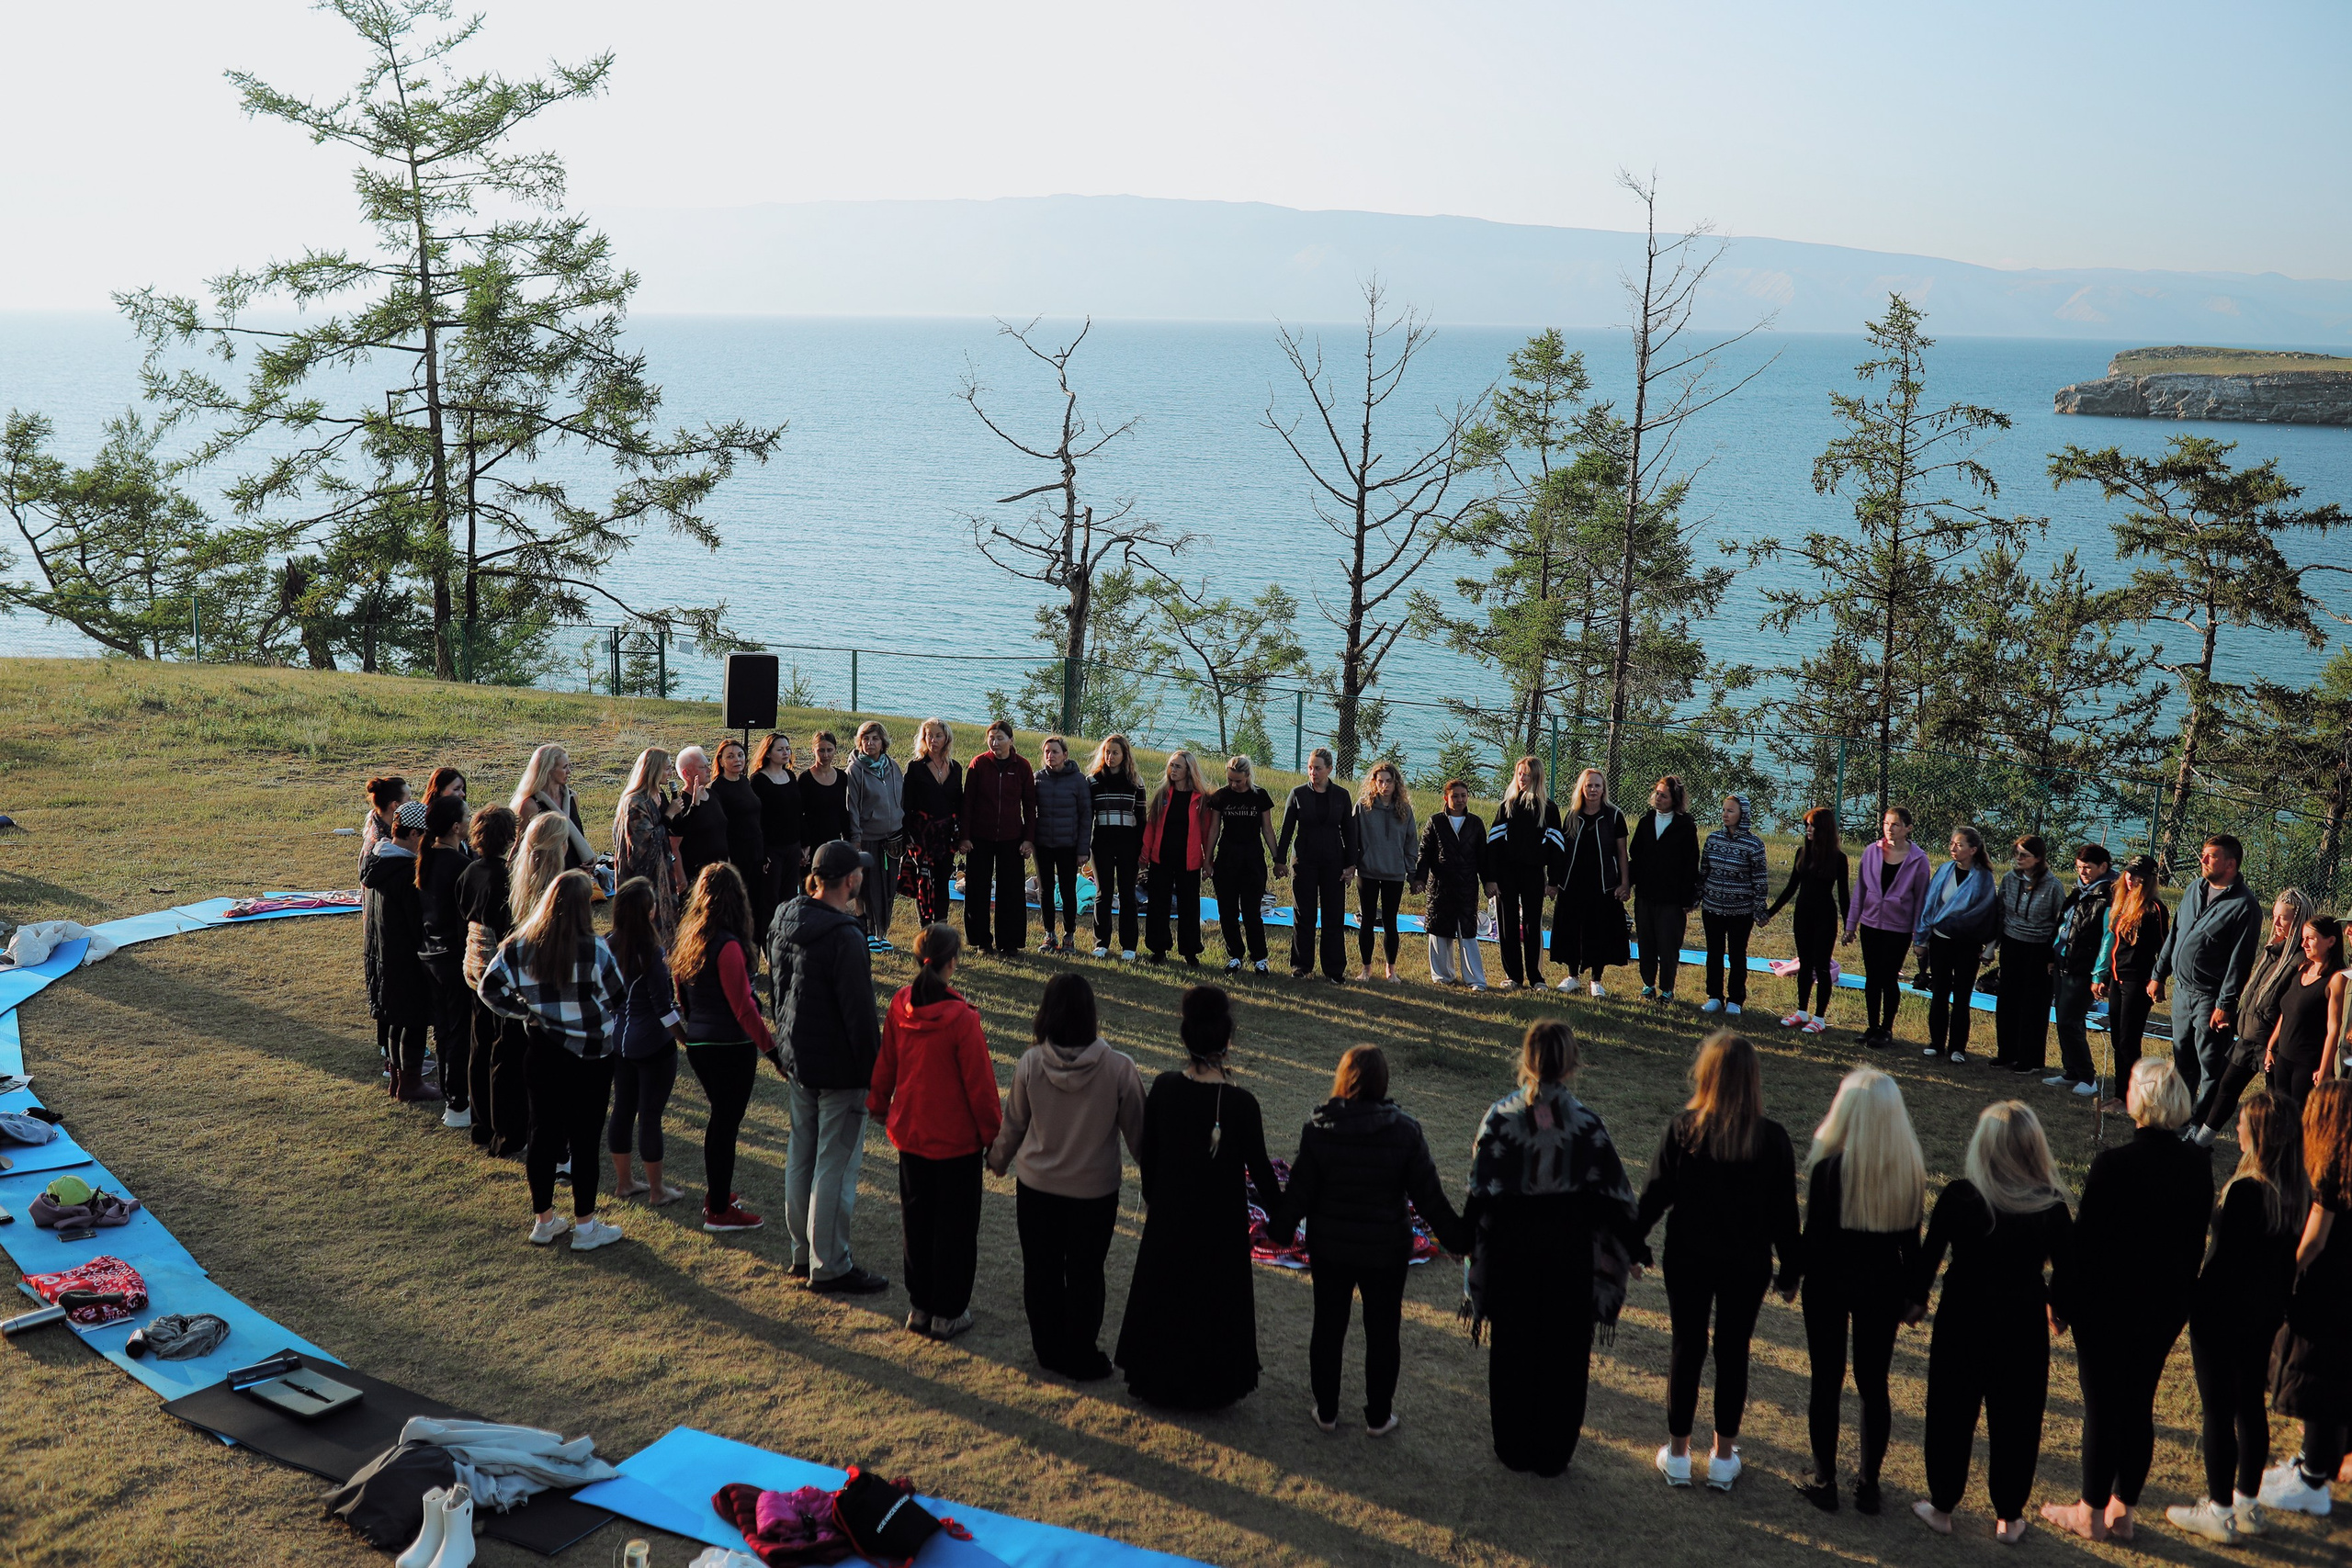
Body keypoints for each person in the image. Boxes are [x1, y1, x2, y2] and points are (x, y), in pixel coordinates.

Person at [1462, 1019, 1642, 1476]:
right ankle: (1553, 1452)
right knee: (1564, 1353)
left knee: (1513, 1347)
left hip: (1511, 1253)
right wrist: (1633, 1250)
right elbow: (1616, 1198)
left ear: (1526, 1060)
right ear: (1572, 1064)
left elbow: (1479, 1194)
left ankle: (1513, 1446)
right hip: (1569, 1255)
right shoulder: (1588, 1125)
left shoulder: (1498, 1118)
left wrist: (1469, 1245)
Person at [2042, 1058, 2210, 1542]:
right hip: (2165, 1306)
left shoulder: (2113, 1165)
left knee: (2102, 1407)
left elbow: (2084, 1244)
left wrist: (2061, 1304)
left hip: (2108, 1306)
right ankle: (2124, 1511)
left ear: (2142, 1101)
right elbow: (2192, 1242)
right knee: (2138, 1404)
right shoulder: (2197, 1168)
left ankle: (2091, 1514)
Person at [1268, 1044, 1466, 1436]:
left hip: (1330, 1247)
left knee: (1327, 1327)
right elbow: (1431, 1200)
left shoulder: (1319, 1128)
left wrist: (1279, 1229)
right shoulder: (1405, 1131)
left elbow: (1299, 1193)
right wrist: (1460, 1239)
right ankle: (1379, 1416)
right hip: (1386, 1250)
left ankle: (1326, 1411)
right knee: (1382, 1332)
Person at [1635, 1031, 1802, 1493]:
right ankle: (1725, 1458)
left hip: (1687, 1257)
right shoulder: (1773, 1141)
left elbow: (1653, 1198)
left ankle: (1679, 1454)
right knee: (1734, 1351)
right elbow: (1785, 1216)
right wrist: (1791, 1270)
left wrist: (1634, 1246)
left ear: (1705, 1074)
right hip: (1747, 1263)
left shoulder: (1683, 1130)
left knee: (1686, 1346)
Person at [1911, 1100, 2074, 1543]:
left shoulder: (1960, 1196)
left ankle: (1942, 1505)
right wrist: (2058, 1309)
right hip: (2021, 1322)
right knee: (2018, 1418)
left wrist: (1916, 1301)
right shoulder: (2051, 1206)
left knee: (1950, 1411)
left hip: (1962, 1316)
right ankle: (2009, 1516)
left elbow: (1928, 1260)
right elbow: (2069, 1270)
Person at [1114, 986, 1282, 1408]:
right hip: (1220, 1225)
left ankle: (1159, 1377)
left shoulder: (1166, 1088)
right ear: (1227, 1041)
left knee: (1166, 1300)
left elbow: (1148, 1157)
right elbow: (1262, 1175)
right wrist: (1285, 1220)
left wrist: (1156, 1199)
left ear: (1185, 1037)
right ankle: (1212, 1385)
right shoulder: (1241, 1103)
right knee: (1213, 1306)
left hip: (1170, 1217)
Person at [989, 974, 1147, 1379]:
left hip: (1037, 1188)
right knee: (1086, 1273)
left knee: (1040, 1271)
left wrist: (997, 1162)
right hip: (1094, 1192)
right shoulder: (1119, 1068)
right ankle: (1081, 1352)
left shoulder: (1029, 1064)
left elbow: (1014, 1125)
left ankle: (1048, 1349)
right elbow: (1139, 1134)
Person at [1785, 1066, 1926, 1516]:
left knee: (1826, 1381)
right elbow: (1912, 1246)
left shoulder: (1830, 1170)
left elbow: (1813, 1239)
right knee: (1874, 1384)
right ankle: (1869, 1485)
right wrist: (1915, 1295)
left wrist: (1789, 1275)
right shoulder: (1909, 1172)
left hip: (1828, 1282)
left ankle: (1825, 1480)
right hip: (1882, 1285)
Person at [2168, 1091, 2304, 1542]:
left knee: (2218, 1412)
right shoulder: (2294, 1192)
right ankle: (2247, 1505)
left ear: (2259, 1136)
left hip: (2221, 1315)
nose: (2237, 1129)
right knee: (2249, 1408)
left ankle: (2219, 1510)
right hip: (2265, 1315)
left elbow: (2222, 1262)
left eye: (2244, 1123)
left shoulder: (2247, 1191)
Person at [477, 870, 628, 1252]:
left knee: (542, 1136)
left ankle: (544, 1220)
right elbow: (618, 997)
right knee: (584, 1139)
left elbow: (487, 987)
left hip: (543, 1052)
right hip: (592, 1057)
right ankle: (586, 1226)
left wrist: (525, 1011)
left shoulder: (520, 945)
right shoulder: (595, 949)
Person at [868, 923, 1002, 1339]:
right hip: (956, 1141)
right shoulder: (961, 1019)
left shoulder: (900, 1005)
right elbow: (980, 1087)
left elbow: (886, 1061)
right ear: (953, 962)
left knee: (918, 1222)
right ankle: (949, 1311)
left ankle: (920, 1307)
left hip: (912, 1134)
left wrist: (877, 1104)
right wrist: (994, 1136)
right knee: (956, 1229)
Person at [770, 840, 887, 1293]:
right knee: (834, 1165)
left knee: (802, 1157)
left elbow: (779, 991)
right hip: (838, 1069)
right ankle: (831, 1264)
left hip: (798, 1060)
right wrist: (875, 1075)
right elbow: (860, 1016)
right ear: (850, 880)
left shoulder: (784, 918)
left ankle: (804, 1254)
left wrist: (782, 1047)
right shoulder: (845, 936)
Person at [2256, 1079, 2352, 1518]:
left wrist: (2283, 1272)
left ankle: (2313, 1481)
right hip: (2342, 1292)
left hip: (2324, 1293)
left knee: (2319, 1383)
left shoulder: (2330, 1174)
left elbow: (2313, 1241)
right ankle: (2312, 1464)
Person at [675, 863, 782, 1234]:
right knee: (724, 1125)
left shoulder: (691, 936)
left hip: (701, 1044)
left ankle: (717, 1196)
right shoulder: (730, 946)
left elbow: (681, 990)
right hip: (729, 1046)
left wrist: (693, 1029)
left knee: (721, 1122)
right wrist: (774, 1052)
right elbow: (744, 1009)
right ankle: (719, 1210)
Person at [2190, 888, 2319, 1142]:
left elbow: (2290, 1004)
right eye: (2275, 915)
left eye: (2284, 918)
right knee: (2226, 1087)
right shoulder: (2273, 950)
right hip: (2251, 1033)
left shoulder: (2301, 960)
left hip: (2273, 1041)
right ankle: (2200, 1140)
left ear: (2300, 922)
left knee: (2279, 1099)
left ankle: (2283, 1151)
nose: (2277, 922)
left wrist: (2273, 1041)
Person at [2153, 832, 2264, 1108]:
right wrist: (2158, 975)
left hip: (2209, 999)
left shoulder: (2244, 906)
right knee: (2182, 1058)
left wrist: (2225, 1004)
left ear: (2230, 864)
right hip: (2181, 992)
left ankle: (2201, 1126)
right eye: (2204, 854)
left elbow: (2240, 961)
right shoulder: (2194, 889)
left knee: (2210, 1066)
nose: (2202, 860)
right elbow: (2175, 935)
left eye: (2210, 856)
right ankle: (2180, 1114)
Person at [605, 876, 685, 1207]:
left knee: (622, 1109)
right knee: (649, 1115)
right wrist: (685, 1039)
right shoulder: (653, 954)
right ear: (648, 913)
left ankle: (624, 1183)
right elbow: (664, 1010)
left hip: (618, 1042)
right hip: (652, 1045)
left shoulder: (607, 943)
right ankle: (657, 1190)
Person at [458, 807, 526, 1155]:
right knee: (505, 1054)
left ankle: (480, 1125)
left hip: (473, 968)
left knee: (479, 1046)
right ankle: (506, 1131)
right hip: (499, 974)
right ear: (510, 837)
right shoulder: (507, 878)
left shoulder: (469, 872)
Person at [363, 802, 439, 1101]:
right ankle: (410, 1083)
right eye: (427, 836)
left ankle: (398, 1080)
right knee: (413, 1022)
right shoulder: (407, 872)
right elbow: (418, 921)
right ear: (412, 833)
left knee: (394, 1022)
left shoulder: (379, 859)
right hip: (406, 959)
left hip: (383, 955)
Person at [1844, 807, 1930, 1047]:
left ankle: (1887, 1029)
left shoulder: (1919, 860)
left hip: (1899, 928)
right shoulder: (1871, 852)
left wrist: (1919, 937)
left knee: (1888, 977)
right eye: (1886, 824)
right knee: (1872, 977)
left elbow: (1921, 900)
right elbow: (1860, 890)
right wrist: (1851, 925)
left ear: (1908, 828)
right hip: (1871, 924)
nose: (1889, 829)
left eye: (1895, 824)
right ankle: (1871, 1026)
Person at [1914, 824, 1997, 1065]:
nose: (1953, 848)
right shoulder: (1943, 870)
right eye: (1952, 843)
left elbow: (1987, 913)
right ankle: (1935, 1043)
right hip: (1940, 941)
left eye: (1959, 845)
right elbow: (1930, 906)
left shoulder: (1983, 878)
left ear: (1972, 850)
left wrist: (1988, 948)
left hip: (1967, 945)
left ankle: (1958, 1047)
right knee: (1939, 991)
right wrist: (1922, 939)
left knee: (1962, 996)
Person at [1276, 748, 1359, 983]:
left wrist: (1351, 864)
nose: (1313, 772)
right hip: (1304, 863)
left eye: (1318, 768)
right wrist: (1280, 860)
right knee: (1304, 915)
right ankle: (1301, 965)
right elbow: (1287, 830)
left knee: (1334, 916)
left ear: (1329, 770)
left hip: (1334, 863)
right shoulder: (1298, 794)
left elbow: (1350, 833)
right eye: (1310, 767)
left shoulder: (1341, 795)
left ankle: (1334, 970)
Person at [1764, 807, 1849, 1035]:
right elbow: (1791, 887)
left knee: (1821, 967)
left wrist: (1849, 926)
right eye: (1807, 825)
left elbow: (1843, 895)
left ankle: (1819, 1018)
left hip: (1825, 917)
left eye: (1813, 826)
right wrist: (1770, 912)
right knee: (1805, 965)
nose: (1808, 830)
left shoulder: (1839, 859)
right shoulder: (1802, 852)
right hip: (1803, 914)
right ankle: (1802, 1012)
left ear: (1824, 830)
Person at [2093, 855, 2170, 1108]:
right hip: (2117, 978)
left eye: (2138, 875)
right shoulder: (2121, 902)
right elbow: (2112, 943)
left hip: (2138, 982)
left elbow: (2165, 948)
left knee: (2128, 1040)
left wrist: (2158, 980)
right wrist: (2102, 975)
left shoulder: (2155, 909)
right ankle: (2122, 1092)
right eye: (2129, 873)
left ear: (2148, 880)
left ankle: (2127, 1096)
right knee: (2118, 1038)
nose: (2131, 879)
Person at [416, 793, 473, 1126]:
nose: (469, 820)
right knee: (459, 1034)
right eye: (466, 816)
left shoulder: (427, 859)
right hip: (454, 960)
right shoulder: (461, 867)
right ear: (455, 827)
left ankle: (454, 1100)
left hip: (431, 957)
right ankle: (459, 1103)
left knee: (444, 1031)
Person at [2256, 915, 2348, 1122]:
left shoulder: (2336, 980)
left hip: (2306, 1065)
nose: (2304, 944)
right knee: (2279, 1116)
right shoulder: (2302, 969)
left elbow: (2334, 1029)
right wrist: (2271, 1046)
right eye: (2303, 938)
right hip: (2283, 1058)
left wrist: (2324, 1070)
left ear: (2331, 941)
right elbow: (2286, 1012)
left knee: (2299, 1122)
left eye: (2311, 939)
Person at [1550, 767, 1631, 997]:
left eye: (1597, 785)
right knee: (1572, 930)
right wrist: (1555, 881)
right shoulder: (1572, 815)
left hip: (1604, 885)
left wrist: (1625, 883)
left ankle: (1596, 979)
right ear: (1581, 788)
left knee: (1599, 931)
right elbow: (1561, 850)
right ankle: (1572, 976)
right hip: (1573, 883)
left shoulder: (1614, 816)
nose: (1593, 789)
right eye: (1588, 785)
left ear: (1603, 788)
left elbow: (1622, 854)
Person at [1484, 758, 1562, 990]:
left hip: (1534, 875)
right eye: (1519, 774)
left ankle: (1536, 977)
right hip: (1507, 875)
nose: (1522, 778)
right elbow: (1493, 846)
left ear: (1537, 777)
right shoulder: (1507, 805)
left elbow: (1557, 848)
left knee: (1531, 925)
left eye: (1527, 774)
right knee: (1507, 924)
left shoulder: (1549, 808)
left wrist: (1554, 881)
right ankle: (1514, 977)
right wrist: (1491, 878)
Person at [2045, 845, 2117, 1098]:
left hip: (2084, 968)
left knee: (2070, 1020)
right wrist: (2053, 955)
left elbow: (2108, 938)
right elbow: (2064, 923)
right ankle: (2071, 1071)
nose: (2082, 872)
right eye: (2079, 867)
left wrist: (2099, 974)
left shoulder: (2109, 894)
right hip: (2064, 961)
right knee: (2062, 1020)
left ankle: (2088, 1076)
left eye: (2087, 867)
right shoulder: (2079, 891)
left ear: (2103, 867)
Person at [961, 720, 1036, 955]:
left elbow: (1030, 806)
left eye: (1000, 738)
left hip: (1012, 838)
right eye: (991, 738)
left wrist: (1028, 839)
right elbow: (967, 804)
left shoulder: (1022, 767)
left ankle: (1009, 941)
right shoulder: (979, 764)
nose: (995, 742)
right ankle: (981, 941)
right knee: (977, 890)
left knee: (1011, 892)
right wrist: (964, 836)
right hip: (979, 838)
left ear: (1011, 740)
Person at [1992, 835, 2064, 1075]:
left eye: (2025, 855)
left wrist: (2054, 956)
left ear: (2038, 859)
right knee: (2007, 1000)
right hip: (2012, 944)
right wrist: (1993, 945)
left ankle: (2030, 1058)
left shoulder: (2053, 885)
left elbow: (2061, 922)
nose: (2019, 859)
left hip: (2039, 948)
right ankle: (2006, 1053)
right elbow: (2001, 912)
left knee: (2033, 1004)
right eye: (2017, 854)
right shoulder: (2009, 880)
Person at [1695, 794, 1770, 1018]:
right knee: (1714, 953)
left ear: (1742, 815)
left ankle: (1736, 999)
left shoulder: (1754, 844)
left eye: (1730, 811)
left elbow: (1760, 880)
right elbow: (1704, 871)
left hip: (1741, 911)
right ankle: (1714, 996)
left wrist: (1759, 909)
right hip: (1712, 908)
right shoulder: (1713, 839)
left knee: (1738, 954)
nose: (1725, 815)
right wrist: (1697, 897)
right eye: (1724, 810)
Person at [1629, 775, 1700, 1003]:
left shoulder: (1686, 827)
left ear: (1674, 800)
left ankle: (1667, 989)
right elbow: (1635, 857)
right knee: (1646, 940)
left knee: (1668, 945)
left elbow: (1691, 865)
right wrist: (1626, 884)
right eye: (1657, 794)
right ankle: (1648, 985)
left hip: (1672, 899)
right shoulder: (1645, 822)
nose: (1658, 798)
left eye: (1664, 795)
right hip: (1645, 895)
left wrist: (1688, 899)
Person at [1205, 755, 1279, 973]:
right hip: (1227, 859)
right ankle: (1235, 955)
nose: (1233, 784)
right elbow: (1214, 829)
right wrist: (1207, 860)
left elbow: (1267, 829)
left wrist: (1278, 859)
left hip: (1253, 860)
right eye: (1230, 780)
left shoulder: (1260, 796)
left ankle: (1259, 958)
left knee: (1251, 912)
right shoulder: (1221, 796)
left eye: (1238, 780)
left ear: (1248, 776)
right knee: (1227, 911)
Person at [1141, 750, 1214, 966]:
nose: (1173, 770)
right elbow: (1151, 826)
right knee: (1157, 906)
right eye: (1171, 765)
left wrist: (1207, 861)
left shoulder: (1201, 800)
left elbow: (1206, 832)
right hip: (1161, 859)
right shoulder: (1162, 795)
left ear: (1189, 770)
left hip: (1189, 861)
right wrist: (1145, 855)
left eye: (1178, 766)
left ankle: (1190, 952)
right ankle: (1158, 949)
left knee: (1189, 907)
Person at [1413, 779, 1487, 990]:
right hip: (1440, 886)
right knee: (1438, 929)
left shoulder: (1475, 823)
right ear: (1446, 798)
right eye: (1455, 796)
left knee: (1468, 932)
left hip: (1467, 886)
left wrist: (1489, 882)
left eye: (1463, 795)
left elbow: (1483, 857)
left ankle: (1476, 980)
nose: (1460, 800)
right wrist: (1419, 879)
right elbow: (1425, 853)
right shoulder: (1435, 822)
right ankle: (1442, 976)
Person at [359, 774, 409, 1074]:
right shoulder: (384, 841)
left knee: (382, 975)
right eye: (408, 797)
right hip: (383, 919)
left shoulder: (374, 822)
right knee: (388, 979)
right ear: (395, 805)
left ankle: (386, 1043)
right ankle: (392, 1049)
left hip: (374, 917)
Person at [845, 721, 906, 953]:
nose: (870, 743)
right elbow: (852, 807)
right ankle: (867, 931)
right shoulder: (855, 770)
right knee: (866, 886)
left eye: (875, 739)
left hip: (892, 838)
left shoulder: (893, 766)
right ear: (860, 742)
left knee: (887, 886)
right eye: (866, 739)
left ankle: (882, 932)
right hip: (867, 837)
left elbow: (900, 799)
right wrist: (856, 837)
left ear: (883, 742)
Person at [1353, 761, 1417, 984]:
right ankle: (1366, 969)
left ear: (1396, 783)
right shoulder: (1362, 807)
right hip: (1367, 871)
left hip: (1395, 873)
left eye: (1389, 781)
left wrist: (1412, 875)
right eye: (1380, 781)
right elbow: (1353, 840)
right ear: (1374, 782)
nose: (1385, 785)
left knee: (1391, 922)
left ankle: (1391, 970)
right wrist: (1351, 865)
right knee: (1367, 920)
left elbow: (1411, 845)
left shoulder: (1405, 810)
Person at [613, 748, 684, 944]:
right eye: (667, 769)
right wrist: (669, 815)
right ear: (653, 770)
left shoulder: (659, 795)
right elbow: (643, 844)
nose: (670, 773)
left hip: (662, 871)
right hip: (641, 877)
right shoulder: (635, 801)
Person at [1085, 733, 1146, 961]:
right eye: (1107, 752)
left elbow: (1142, 818)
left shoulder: (1135, 782)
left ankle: (1129, 946)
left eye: (1115, 752)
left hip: (1128, 843)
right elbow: (1087, 817)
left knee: (1128, 895)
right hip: (1101, 842)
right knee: (1104, 893)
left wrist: (1143, 851)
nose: (1110, 756)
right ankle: (1101, 942)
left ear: (1124, 755)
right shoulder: (1092, 781)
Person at [1031, 735, 1092, 955]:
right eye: (1047, 752)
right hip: (1043, 845)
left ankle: (1069, 935)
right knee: (1045, 891)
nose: (1050, 756)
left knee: (1067, 891)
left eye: (1055, 752)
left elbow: (1087, 816)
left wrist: (1083, 850)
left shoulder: (1078, 781)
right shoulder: (1037, 778)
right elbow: (1029, 813)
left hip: (1069, 846)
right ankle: (1050, 935)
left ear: (1065, 755)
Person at [899, 720, 963, 928]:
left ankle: (941, 925)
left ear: (946, 739)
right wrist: (906, 834)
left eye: (938, 736)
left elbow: (959, 803)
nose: (933, 740)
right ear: (923, 739)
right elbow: (906, 804)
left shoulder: (955, 768)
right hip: (921, 834)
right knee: (923, 881)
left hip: (946, 835)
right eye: (929, 736)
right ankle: (925, 927)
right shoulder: (915, 767)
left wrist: (961, 833)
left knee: (943, 880)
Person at [709, 738, 769, 948]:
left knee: (756, 902)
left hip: (756, 851)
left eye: (741, 755)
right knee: (738, 904)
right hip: (735, 853)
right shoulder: (717, 788)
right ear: (721, 760)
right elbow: (719, 826)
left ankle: (755, 946)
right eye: (731, 756)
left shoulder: (745, 781)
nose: (737, 760)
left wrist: (763, 853)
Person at [751, 734, 804, 945]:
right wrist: (763, 854)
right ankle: (768, 943)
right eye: (780, 749)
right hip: (772, 849)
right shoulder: (758, 780)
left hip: (793, 846)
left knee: (790, 897)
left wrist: (803, 844)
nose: (786, 753)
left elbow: (798, 812)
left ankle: (787, 940)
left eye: (788, 749)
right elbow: (757, 820)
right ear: (768, 753)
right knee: (770, 899)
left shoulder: (790, 777)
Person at [511, 743, 593, 869]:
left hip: (575, 871)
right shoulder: (531, 805)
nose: (569, 772)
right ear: (549, 770)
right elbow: (520, 846)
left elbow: (576, 835)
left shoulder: (571, 797)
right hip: (546, 872)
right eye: (564, 767)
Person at [669, 745, 731, 889]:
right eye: (703, 767)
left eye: (708, 765)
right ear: (687, 773)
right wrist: (681, 878)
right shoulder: (681, 803)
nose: (709, 770)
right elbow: (674, 846)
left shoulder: (713, 795)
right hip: (697, 877)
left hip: (721, 871)